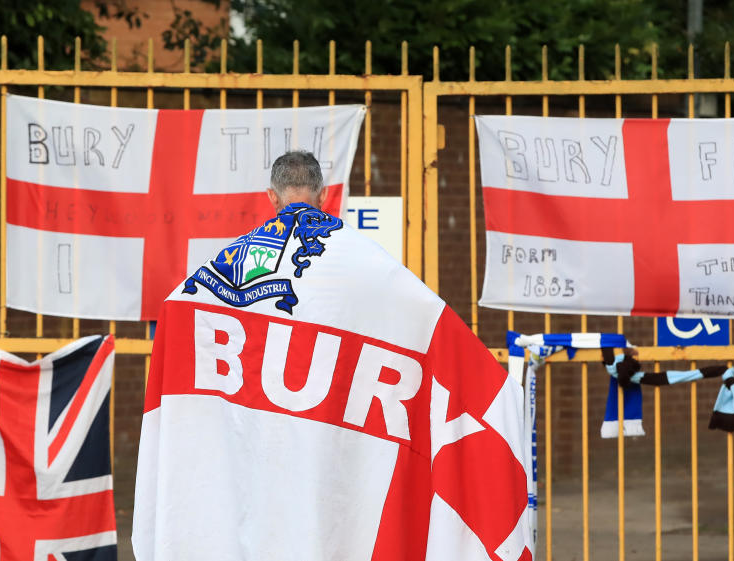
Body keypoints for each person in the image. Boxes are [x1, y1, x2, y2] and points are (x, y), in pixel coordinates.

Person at [133, 150, 533, 561]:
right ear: (324, 195)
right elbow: (428, 321)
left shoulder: (224, 268)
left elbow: (176, 311)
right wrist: (499, 393)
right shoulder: (367, 262)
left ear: (271, 197)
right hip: (334, 457)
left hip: (254, 459)